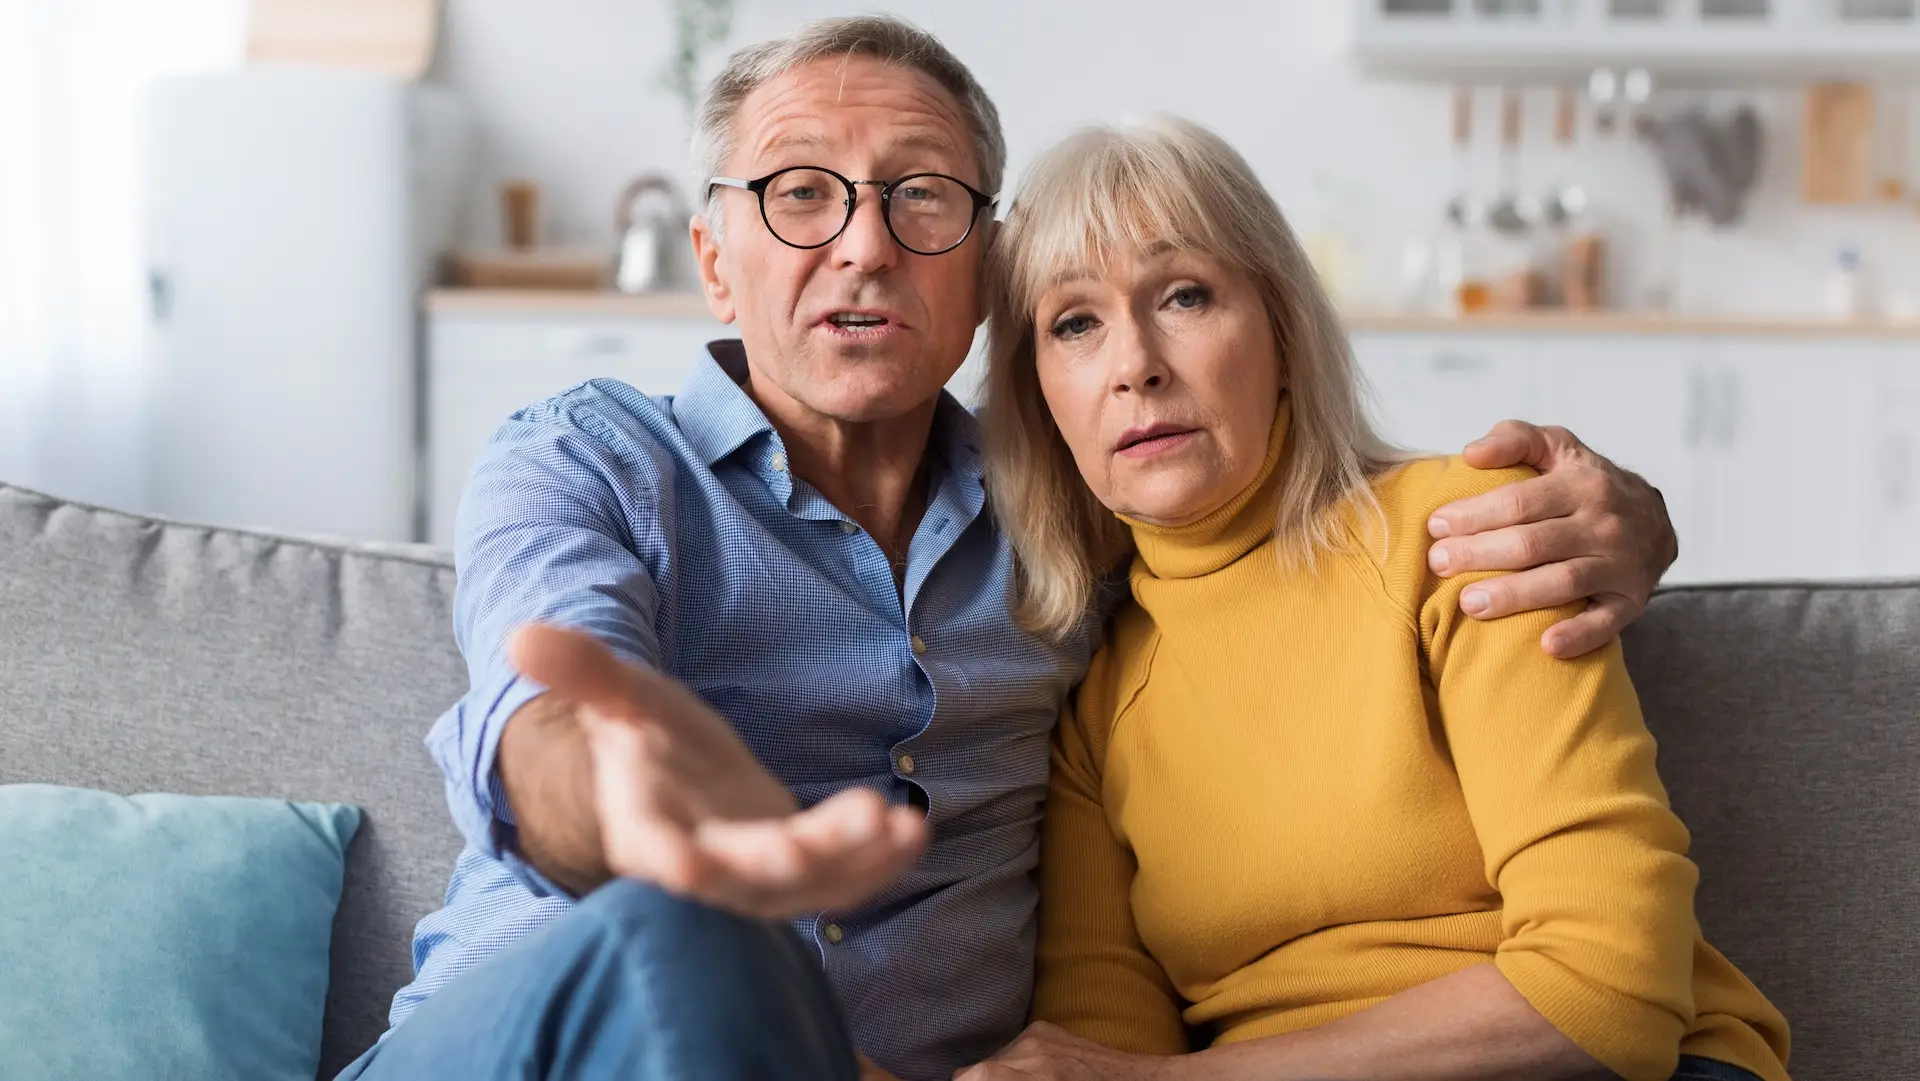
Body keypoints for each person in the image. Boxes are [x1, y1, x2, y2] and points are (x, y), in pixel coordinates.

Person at [340, 16, 1683, 1081]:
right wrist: (631, 806)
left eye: (921, 199)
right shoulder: (583, 461)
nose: (862, 247)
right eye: (800, 194)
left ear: (981, 276)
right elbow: (549, 714)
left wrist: (1627, 518)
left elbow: (1279, 530)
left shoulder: (1075, 519)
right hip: (556, 1030)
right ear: (714, 258)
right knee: (683, 946)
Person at [951, 116, 1789, 1081]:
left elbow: (1610, 989)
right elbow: (1104, 1049)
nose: (1133, 362)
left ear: (1282, 334)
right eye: (1074, 323)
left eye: (1184, 294)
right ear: (1040, 399)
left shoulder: (1469, 538)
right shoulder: (1094, 711)